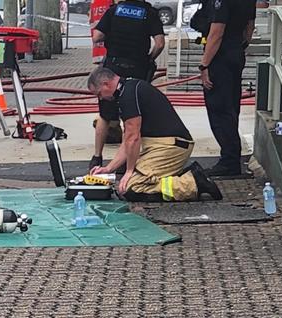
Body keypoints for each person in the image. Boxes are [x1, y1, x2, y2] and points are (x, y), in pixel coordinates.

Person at [87, 66, 222, 202]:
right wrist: (109, 168)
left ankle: (193, 182)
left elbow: (133, 138)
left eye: (99, 94)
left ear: (106, 84)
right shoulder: (129, 89)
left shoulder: (127, 96)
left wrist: (129, 171)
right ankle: (182, 176)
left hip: (170, 146)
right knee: (129, 182)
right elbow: (128, 141)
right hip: (168, 144)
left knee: (131, 188)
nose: (101, 98)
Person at [90, 0, 165, 169]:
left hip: (113, 67)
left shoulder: (114, 10)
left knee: (105, 114)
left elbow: (97, 37)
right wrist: (149, 58)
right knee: (131, 114)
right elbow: (160, 44)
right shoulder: (149, 12)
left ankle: (97, 157)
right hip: (137, 68)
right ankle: (125, 160)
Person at [197, 0, 255, 177]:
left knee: (219, 110)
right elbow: (249, 28)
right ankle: (231, 158)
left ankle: (229, 162)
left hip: (219, 58)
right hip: (235, 53)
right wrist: (238, 47)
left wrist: (204, 65)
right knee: (231, 108)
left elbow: (216, 32)